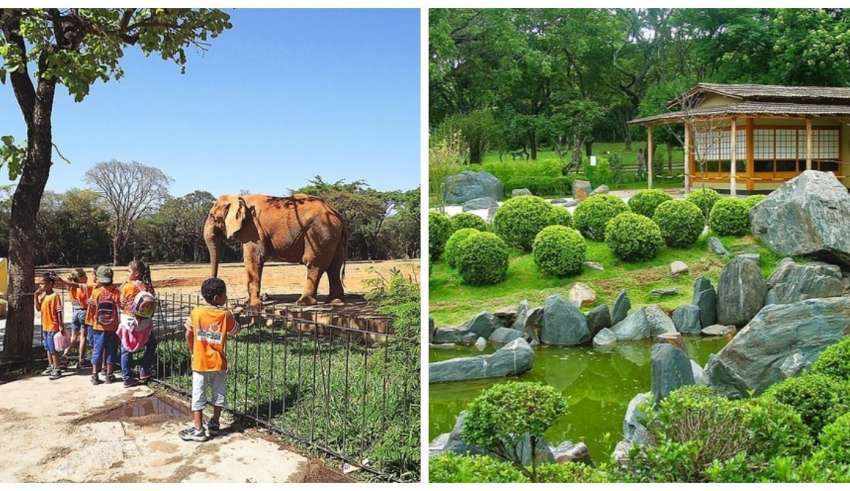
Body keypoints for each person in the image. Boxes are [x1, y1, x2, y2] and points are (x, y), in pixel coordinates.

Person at [180, 277, 240, 442]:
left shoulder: (196, 312)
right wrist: (234, 316)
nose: (226, 297)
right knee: (218, 393)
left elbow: (188, 333)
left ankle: (198, 429)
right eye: (224, 294)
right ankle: (214, 422)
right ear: (216, 298)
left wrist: (193, 351)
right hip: (219, 363)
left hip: (200, 362)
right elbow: (236, 331)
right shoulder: (225, 315)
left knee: (198, 395)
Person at [87, 265, 122, 385]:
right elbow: (121, 305)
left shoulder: (96, 292)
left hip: (98, 326)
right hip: (113, 327)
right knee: (111, 350)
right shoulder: (116, 292)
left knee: (97, 350)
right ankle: (109, 375)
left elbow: (91, 307)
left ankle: (95, 375)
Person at [117, 290, 158, 388]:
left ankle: (127, 378)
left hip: (128, 327)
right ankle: (144, 369)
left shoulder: (127, 287)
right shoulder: (147, 321)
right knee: (151, 344)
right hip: (143, 328)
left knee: (126, 351)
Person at [35, 271, 64, 380]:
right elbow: (38, 308)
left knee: (53, 349)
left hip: (53, 326)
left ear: (50, 284)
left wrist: (61, 325)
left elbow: (59, 311)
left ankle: (57, 368)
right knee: (47, 348)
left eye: (42, 283)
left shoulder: (55, 296)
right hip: (45, 326)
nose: (40, 286)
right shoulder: (42, 296)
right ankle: (51, 366)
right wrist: (35, 296)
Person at [65, 268, 91, 370]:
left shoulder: (71, 288)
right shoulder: (82, 288)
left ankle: (64, 354)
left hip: (74, 312)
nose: (87, 277)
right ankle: (81, 360)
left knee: (74, 336)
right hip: (83, 312)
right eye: (85, 276)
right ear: (80, 278)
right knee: (83, 336)